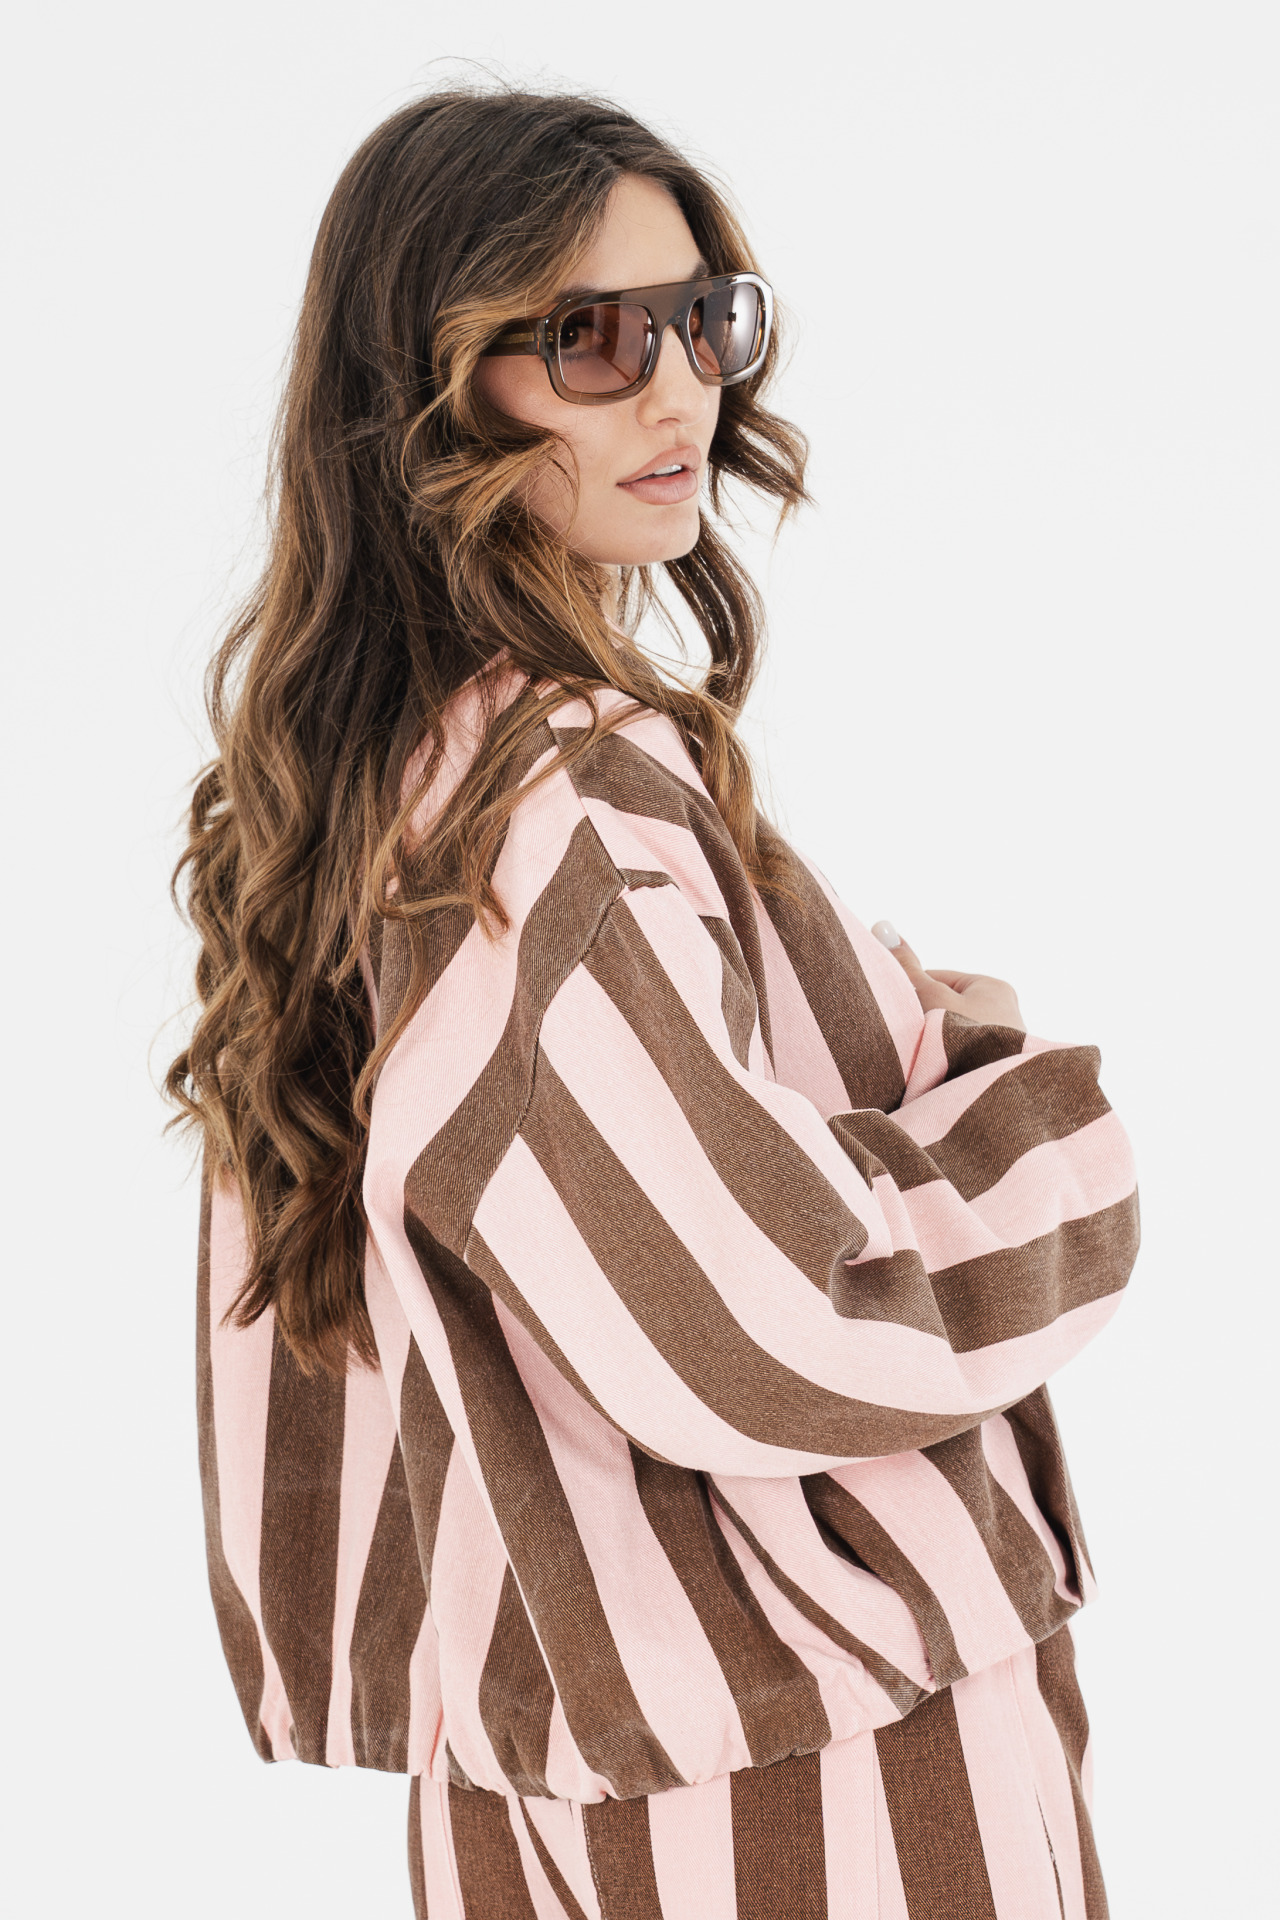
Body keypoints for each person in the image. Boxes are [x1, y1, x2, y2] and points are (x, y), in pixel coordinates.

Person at [169, 86, 1139, 1920]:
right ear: (428, 390)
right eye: (592, 340)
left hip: (571, 1759)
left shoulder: (382, 796)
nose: (678, 389)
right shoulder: (554, 809)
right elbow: (770, 1310)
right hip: (797, 1769)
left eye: (705, 320)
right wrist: (1025, 1127)